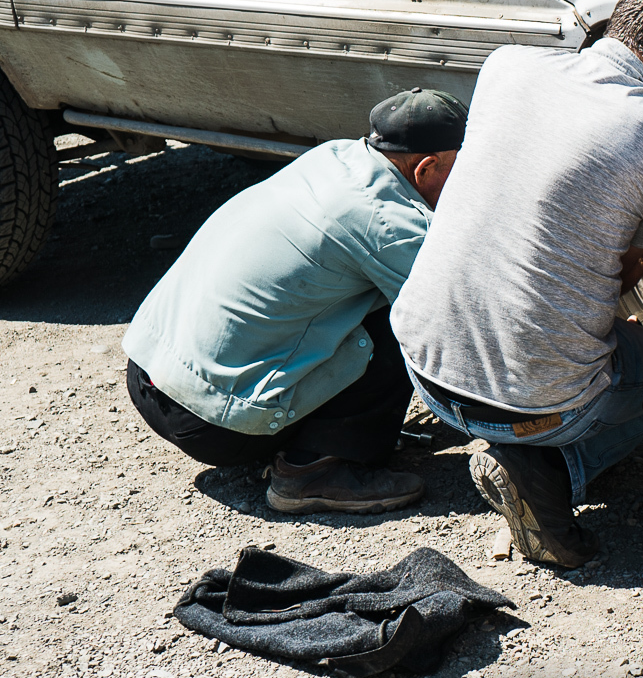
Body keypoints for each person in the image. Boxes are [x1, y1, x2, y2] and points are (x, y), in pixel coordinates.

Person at [394, 0, 643, 569]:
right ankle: (551, 468)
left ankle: (519, 447)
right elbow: (624, 271)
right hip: (536, 406)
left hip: (424, 367)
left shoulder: (507, 64)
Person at [122, 88, 466, 513]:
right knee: (413, 316)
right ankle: (311, 471)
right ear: (426, 167)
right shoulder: (388, 222)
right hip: (210, 424)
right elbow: (463, 319)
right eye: (464, 171)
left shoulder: (335, 157)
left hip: (147, 373)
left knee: (365, 293)